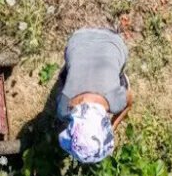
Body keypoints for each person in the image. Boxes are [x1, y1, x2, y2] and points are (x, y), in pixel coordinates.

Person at [55, 27, 134, 164]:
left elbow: (130, 99)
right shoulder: (64, 108)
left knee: (119, 78)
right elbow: (130, 100)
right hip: (78, 39)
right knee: (66, 74)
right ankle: (74, 69)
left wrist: (112, 126)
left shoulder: (115, 102)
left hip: (111, 41)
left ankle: (116, 74)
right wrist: (112, 125)